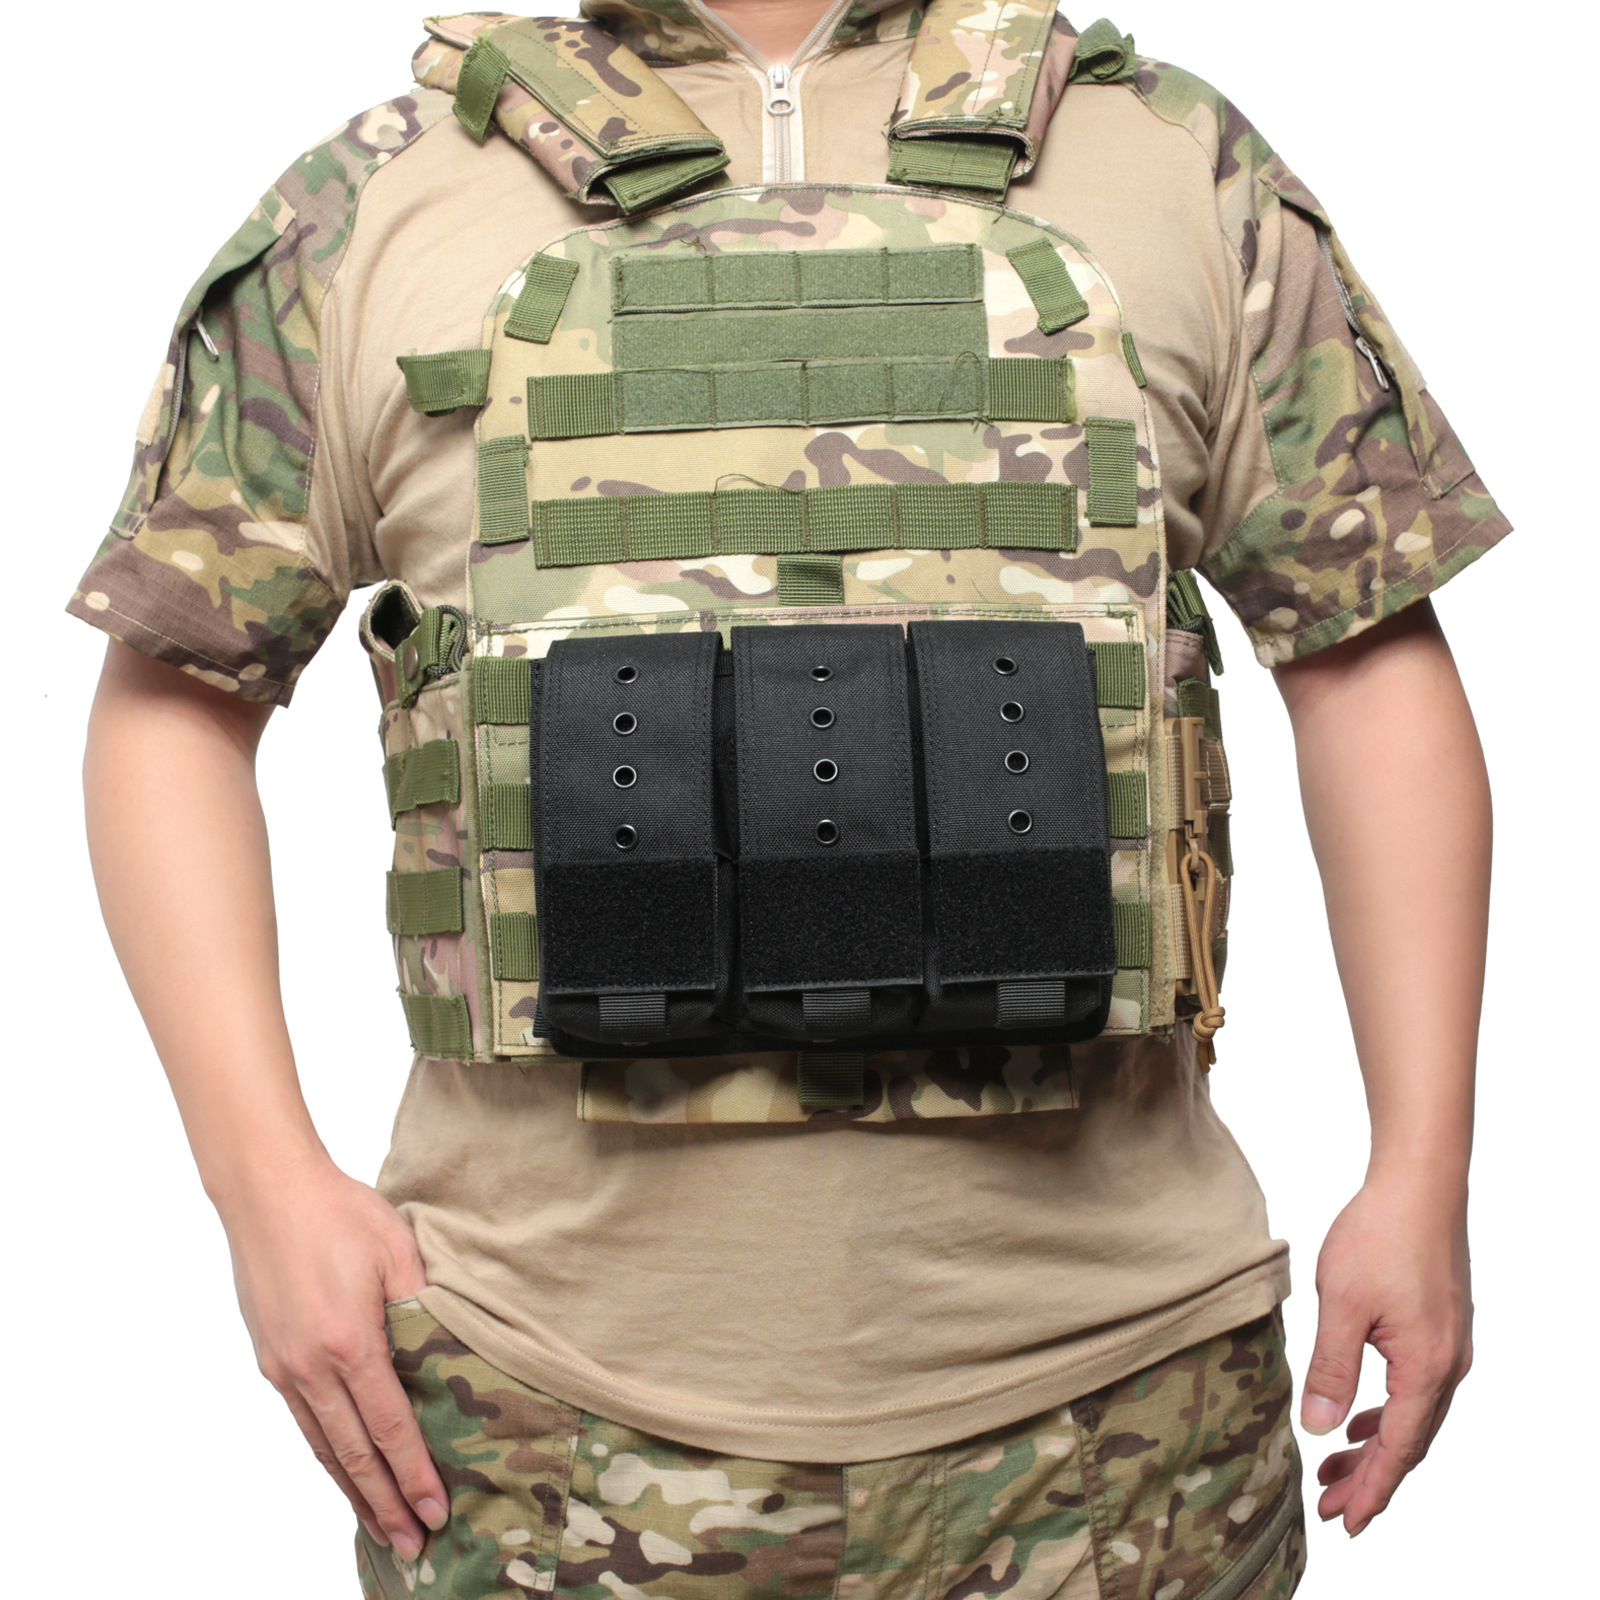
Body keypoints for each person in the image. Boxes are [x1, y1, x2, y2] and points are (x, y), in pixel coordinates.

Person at [75, 2, 1501, 1595]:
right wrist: (262, 1191)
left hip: (1126, 1403)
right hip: (535, 1405)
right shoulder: (376, 201)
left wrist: (1422, 1172)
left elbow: (1364, 656)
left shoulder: (1173, 163)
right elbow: (175, 695)